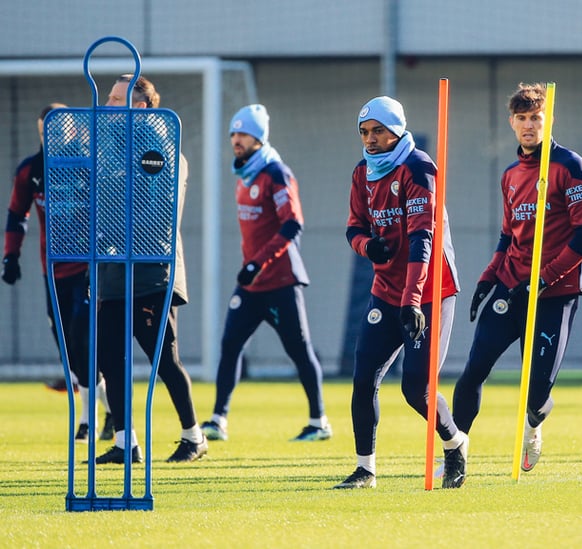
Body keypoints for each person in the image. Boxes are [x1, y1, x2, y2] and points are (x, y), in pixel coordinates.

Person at [451, 82, 582, 475]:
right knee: (472, 373)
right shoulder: (510, 175)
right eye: (522, 119)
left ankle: (534, 427)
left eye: (536, 117)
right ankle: (454, 457)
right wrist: (487, 278)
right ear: (511, 123)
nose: (529, 125)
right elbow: (507, 234)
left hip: (556, 291)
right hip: (510, 287)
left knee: (535, 395)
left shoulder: (570, 167)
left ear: (548, 119)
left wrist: (544, 279)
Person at [334, 96, 467, 490]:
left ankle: (455, 443)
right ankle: (365, 469)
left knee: (416, 389)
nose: (370, 139)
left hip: (430, 291)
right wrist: (366, 247)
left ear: (397, 129)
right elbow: (354, 227)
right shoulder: (362, 172)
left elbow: (422, 237)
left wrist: (412, 300)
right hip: (386, 291)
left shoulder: (419, 168)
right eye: (364, 132)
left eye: (378, 131)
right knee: (363, 380)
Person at [199, 104, 332, 443]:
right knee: (230, 345)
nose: (236, 139)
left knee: (299, 350)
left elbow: (293, 223)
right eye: (233, 133)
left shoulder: (276, 173)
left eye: (243, 133)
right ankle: (218, 420)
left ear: (258, 137)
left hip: (281, 282)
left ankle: (319, 422)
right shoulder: (244, 177)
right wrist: (251, 268)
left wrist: (259, 263)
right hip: (250, 285)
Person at [94, 74, 206, 464]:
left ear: (140, 107)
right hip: (113, 273)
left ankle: (194, 437)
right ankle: (127, 443)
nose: (108, 106)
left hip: (151, 273)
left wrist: (109, 225)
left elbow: (158, 214)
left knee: (163, 359)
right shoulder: (109, 148)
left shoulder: (160, 147)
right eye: (108, 98)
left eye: (115, 99)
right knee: (108, 356)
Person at [3, 103, 113, 443]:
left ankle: (86, 419)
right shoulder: (31, 171)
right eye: (45, 129)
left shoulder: (89, 165)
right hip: (52, 272)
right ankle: (110, 412)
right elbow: (16, 215)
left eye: (59, 128)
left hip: (87, 269)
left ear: (74, 130)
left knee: (84, 340)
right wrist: (11, 256)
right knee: (69, 350)